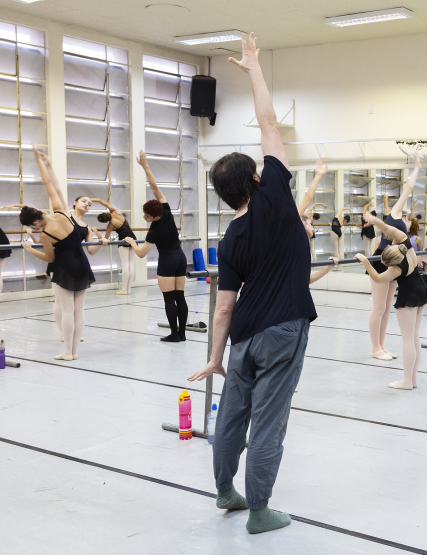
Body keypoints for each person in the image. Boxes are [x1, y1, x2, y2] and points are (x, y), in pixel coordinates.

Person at [187, 33, 317, 535]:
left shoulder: (230, 237)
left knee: (232, 416)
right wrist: (255, 69)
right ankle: (260, 510)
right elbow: (269, 122)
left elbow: (223, 306)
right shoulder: (278, 201)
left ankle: (226, 490)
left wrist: (217, 356)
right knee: (268, 422)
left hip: (242, 337)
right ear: (258, 180)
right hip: (283, 331)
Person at [18, 148, 97, 360]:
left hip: (65, 269)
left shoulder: (45, 234)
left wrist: (30, 249)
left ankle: (67, 352)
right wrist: (43, 163)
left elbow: (50, 258)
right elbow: (51, 185)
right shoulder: (62, 212)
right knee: (78, 311)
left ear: (34, 222)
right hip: (82, 263)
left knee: (67, 311)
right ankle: (75, 352)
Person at [358, 212, 427, 389]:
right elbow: (389, 229)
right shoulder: (406, 245)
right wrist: (376, 222)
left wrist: (365, 260)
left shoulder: (396, 270)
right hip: (421, 290)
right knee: (414, 338)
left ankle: (406, 381)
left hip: (409, 297)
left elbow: (376, 277)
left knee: (407, 339)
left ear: (391, 264)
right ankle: (412, 379)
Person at [125, 151, 189, 342]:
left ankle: (174, 335)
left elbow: (141, 253)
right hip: (180, 258)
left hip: (168, 261)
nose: (144, 217)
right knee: (180, 296)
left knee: (169, 299)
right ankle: (182, 334)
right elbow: (153, 187)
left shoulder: (154, 231)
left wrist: (130, 241)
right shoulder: (167, 211)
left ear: (154, 216)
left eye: (146, 215)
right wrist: (145, 166)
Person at [367, 159, 422, 360]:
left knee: (386, 307)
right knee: (379, 307)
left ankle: (381, 345)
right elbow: (408, 187)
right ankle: (375, 348)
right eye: (407, 216)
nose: (407, 218)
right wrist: (416, 168)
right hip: (382, 260)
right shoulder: (395, 214)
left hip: (394, 261)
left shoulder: (404, 225)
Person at [92, 198, 138, 295]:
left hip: (123, 240)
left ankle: (124, 290)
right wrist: (91, 200)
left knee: (125, 264)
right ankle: (128, 289)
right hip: (133, 237)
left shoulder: (110, 226)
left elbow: (104, 240)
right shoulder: (115, 212)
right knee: (131, 263)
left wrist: (95, 231)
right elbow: (101, 201)